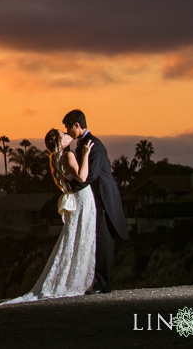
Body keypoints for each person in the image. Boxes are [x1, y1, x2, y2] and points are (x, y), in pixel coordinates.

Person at [2, 128, 96, 304]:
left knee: (74, 236)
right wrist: (85, 154)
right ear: (60, 142)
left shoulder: (56, 159)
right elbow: (82, 177)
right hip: (83, 198)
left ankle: (74, 278)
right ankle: (77, 281)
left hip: (77, 199)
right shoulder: (68, 157)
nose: (67, 134)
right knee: (82, 236)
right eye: (63, 134)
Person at [63, 108, 128, 294]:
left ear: (77, 125)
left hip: (104, 198)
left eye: (69, 127)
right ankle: (96, 282)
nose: (68, 131)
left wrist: (71, 188)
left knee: (104, 241)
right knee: (96, 240)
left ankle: (104, 284)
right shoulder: (83, 144)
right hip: (94, 198)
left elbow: (91, 175)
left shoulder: (94, 144)